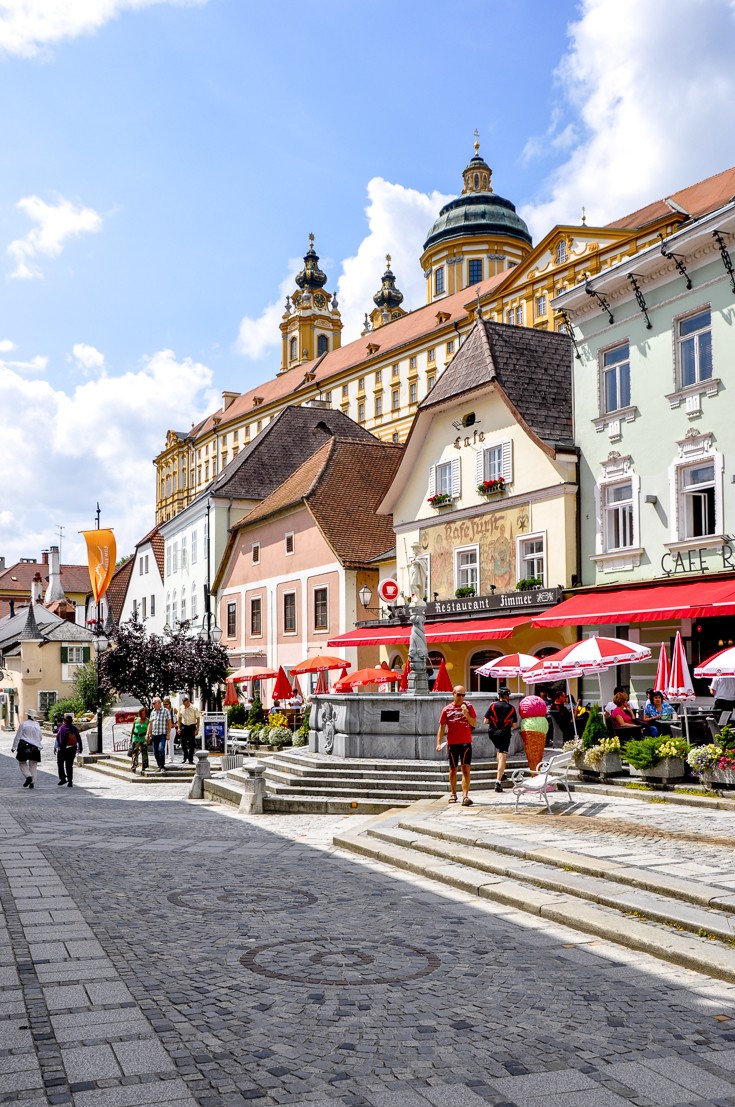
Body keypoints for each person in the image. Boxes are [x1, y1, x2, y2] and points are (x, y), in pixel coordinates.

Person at [436, 685, 476, 806]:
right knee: (453, 769)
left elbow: (474, 723)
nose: (461, 697)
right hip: (453, 743)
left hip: (466, 742)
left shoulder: (468, 707)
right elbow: (442, 726)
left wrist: (466, 714)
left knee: (466, 769)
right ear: (453, 694)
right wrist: (438, 742)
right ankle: (453, 793)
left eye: (463, 695)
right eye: (459, 694)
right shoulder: (447, 709)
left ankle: (465, 796)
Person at [484, 687, 517, 793]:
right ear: (507, 696)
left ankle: (501, 774)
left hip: (493, 733)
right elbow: (515, 724)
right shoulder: (511, 708)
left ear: (499, 696)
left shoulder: (492, 705)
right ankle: (498, 782)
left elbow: (485, 721)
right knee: (503, 755)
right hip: (504, 734)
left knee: (498, 751)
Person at [11, 712, 43, 789]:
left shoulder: (23, 724)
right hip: (35, 747)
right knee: (33, 765)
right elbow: (40, 737)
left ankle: (28, 776)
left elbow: (18, 736)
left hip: (24, 746)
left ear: (28, 716)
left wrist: (14, 747)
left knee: (22, 762)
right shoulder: (37, 725)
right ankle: (32, 782)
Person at [54, 713, 82, 787]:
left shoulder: (62, 728)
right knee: (69, 765)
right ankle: (70, 781)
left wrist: (55, 747)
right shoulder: (74, 728)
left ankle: (63, 778)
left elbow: (58, 738)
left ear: (65, 721)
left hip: (62, 749)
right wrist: (79, 748)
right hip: (72, 749)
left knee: (60, 763)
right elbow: (78, 738)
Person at [146, 696, 171, 773]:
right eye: (152, 703)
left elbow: (169, 723)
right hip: (154, 734)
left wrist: (168, 733)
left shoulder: (165, 711)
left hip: (162, 734)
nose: (153, 704)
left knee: (161, 749)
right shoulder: (152, 712)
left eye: (154, 703)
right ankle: (159, 765)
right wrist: (148, 734)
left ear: (159, 703)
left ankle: (162, 766)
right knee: (155, 752)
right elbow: (150, 724)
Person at [177, 694, 200, 764]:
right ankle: (185, 756)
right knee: (183, 743)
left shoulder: (194, 708)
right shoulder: (181, 708)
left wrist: (197, 729)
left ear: (188, 702)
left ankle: (190, 759)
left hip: (192, 726)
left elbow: (198, 718)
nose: (185, 705)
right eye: (184, 704)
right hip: (184, 726)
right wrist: (178, 727)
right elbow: (179, 718)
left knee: (192, 744)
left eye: (186, 703)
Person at [130, 707, 149, 775]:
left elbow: (148, 730)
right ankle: (134, 765)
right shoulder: (136, 719)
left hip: (143, 738)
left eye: (144, 714)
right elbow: (133, 728)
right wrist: (131, 737)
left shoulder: (148, 720)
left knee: (144, 752)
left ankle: (144, 766)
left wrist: (148, 737)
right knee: (135, 752)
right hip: (136, 737)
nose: (143, 715)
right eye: (142, 713)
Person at [162, 697, 176, 764]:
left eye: (166, 704)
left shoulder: (173, 710)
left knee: (170, 744)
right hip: (164, 729)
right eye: (164, 704)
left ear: (169, 704)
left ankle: (171, 758)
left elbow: (178, 718)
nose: (165, 706)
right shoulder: (162, 710)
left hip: (172, 729)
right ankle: (163, 758)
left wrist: (175, 724)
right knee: (163, 744)